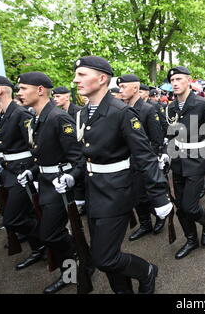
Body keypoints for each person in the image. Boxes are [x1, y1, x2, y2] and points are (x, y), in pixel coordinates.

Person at [72, 56, 172, 294]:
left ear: (102, 78)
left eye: (82, 74)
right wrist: (74, 183)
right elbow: (85, 156)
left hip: (116, 192)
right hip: (94, 191)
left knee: (104, 258)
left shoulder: (122, 113)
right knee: (104, 252)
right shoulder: (85, 113)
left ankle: (147, 271)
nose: (76, 80)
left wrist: (160, 197)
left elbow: (145, 156)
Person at [16, 72, 83, 294]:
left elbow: (78, 157)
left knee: (50, 234)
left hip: (59, 185)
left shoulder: (57, 117)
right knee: (51, 233)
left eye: (23, 88)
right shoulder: (37, 117)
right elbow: (43, 155)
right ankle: (81, 261)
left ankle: (73, 270)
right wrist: (31, 172)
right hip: (45, 182)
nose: (19, 93)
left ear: (40, 90)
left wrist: (71, 177)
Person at [164, 66, 205, 259]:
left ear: (189, 81)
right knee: (181, 207)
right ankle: (191, 239)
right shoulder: (171, 107)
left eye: (179, 79)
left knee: (190, 206)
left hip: (197, 160)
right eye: (172, 80)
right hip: (177, 162)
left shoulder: (202, 104)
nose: (175, 83)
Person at [0, 75, 45, 271]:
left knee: (13, 219)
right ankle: (39, 248)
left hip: (22, 171)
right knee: (24, 213)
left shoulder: (20, 113)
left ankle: (49, 239)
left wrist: (32, 171)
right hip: (9, 171)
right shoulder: (4, 114)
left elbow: (35, 147)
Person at [117, 74, 167, 241]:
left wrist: (148, 158)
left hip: (144, 161)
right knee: (136, 196)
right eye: (120, 87)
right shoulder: (121, 110)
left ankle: (160, 217)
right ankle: (145, 224)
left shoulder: (148, 109)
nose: (120, 90)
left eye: (124, 87)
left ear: (136, 88)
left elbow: (156, 139)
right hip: (127, 162)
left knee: (148, 194)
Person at [52, 86, 86, 216]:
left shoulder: (78, 111)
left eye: (58, 96)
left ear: (67, 96)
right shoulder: (58, 113)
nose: (55, 99)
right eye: (54, 97)